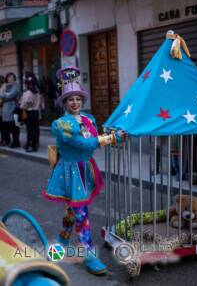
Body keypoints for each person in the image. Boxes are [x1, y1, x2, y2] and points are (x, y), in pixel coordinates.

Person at [42, 66, 124, 275]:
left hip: (85, 169)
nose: (75, 102)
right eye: (70, 99)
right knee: (82, 213)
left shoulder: (89, 119)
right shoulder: (61, 124)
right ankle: (88, 254)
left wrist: (115, 129)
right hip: (71, 172)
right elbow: (85, 144)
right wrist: (111, 138)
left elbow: (94, 135)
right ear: (64, 102)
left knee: (73, 209)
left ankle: (60, 242)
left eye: (78, 98)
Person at [20, 72, 40, 152]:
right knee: (34, 129)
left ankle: (30, 145)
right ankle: (34, 145)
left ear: (27, 84)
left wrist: (21, 106)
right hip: (35, 112)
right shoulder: (37, 92)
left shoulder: (28, 93)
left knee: (30, 130)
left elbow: (26, 103)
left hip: (29, 112)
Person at [0, 72, 21, 147]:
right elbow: (1, 95)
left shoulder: (16, 85)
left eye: (11, 77)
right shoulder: (5, 85)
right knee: (6, 127)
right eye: (8, 77)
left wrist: (4, 94)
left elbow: (11, 95)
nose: (10, 78)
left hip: (13, 108)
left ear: (14, 78)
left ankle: (16, 142)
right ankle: (7, 141)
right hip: (5, 110)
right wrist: (5, 94)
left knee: (14, 127)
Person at [0, 75, 6, 145]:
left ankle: (4, 140)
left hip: (3, 110)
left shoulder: (3, 88)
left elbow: (2, 99)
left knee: (3, 127)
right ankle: (3, 139)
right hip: (2, 110)